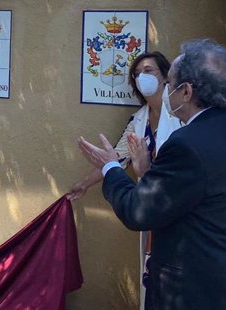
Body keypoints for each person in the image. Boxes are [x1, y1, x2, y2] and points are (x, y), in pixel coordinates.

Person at [77, 39, 226, 310]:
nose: (165, 90)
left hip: (201, 291)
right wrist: (147, 172)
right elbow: (201, 198)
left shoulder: (186, 144)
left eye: (169, 83)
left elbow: (138, 211)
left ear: (186, 92)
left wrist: (111, 167)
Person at [68, 51, 181, 310]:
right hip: (149, 207)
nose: (143, 77)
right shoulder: (139, 119)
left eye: (150, 70)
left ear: (166, 76)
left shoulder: (181, 113)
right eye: (138, 73)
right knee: (152, 275)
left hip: (178, 206)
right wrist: (85, 184)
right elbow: (115, 161)